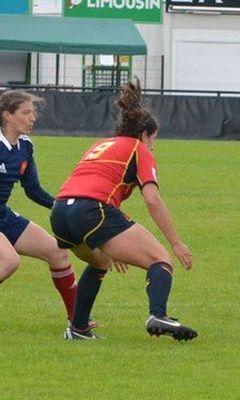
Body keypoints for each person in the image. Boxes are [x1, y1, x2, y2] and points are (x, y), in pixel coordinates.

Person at [51, 80, 197, 341]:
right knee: (160, 259)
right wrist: (176, 243)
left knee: (100, 261)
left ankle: (78, 328)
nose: (153, 146)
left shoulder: (100, 145)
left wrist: (108, 240)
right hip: (91, 209)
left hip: (60, 211)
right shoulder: (138, 149)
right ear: (144, 134)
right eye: (153, 139)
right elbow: (152, 199)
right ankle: (158, 315)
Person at [0, 90, 78, 321]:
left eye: (33, 113)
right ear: (7, 115)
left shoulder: (25, 146)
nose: (32, 118)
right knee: (9, 261)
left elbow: (32, 189)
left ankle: (78, 321)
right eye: (26, 112)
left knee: (57, 253)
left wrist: (62, 206)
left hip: (3, 215)